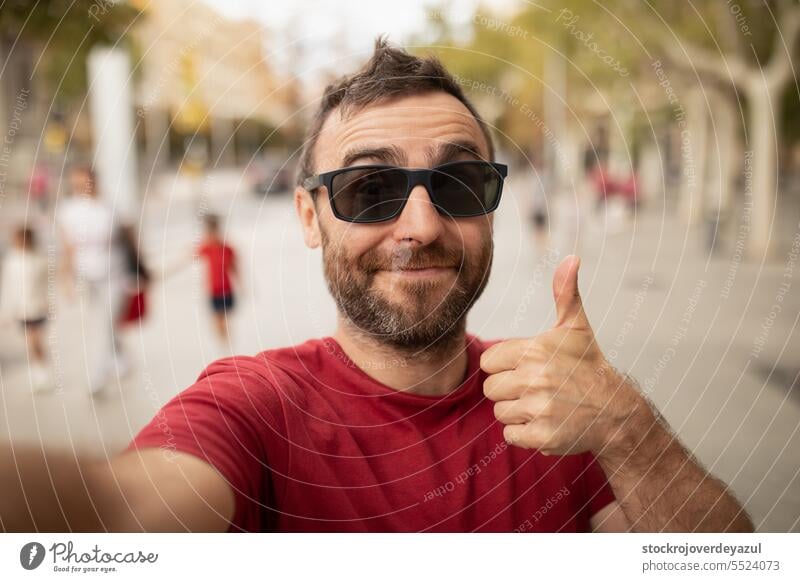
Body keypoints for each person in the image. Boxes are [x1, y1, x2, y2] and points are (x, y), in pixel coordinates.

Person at [0, 39, 752, 533]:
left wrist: (631, 431)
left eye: (456, 182)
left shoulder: (560, 412)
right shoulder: (254, 409)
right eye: (369, 189)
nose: (420, 226)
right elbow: (115, 509)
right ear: (309, 215)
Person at [57, 164, 130, 395]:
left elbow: (129, 240)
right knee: (97, 325)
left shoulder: (111, 208)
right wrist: (65, 279)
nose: (80, 188)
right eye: (75, 183)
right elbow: (67, 247)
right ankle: (114, 360)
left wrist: (140, 271)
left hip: (114, 274)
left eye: (84, 182)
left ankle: (99, 374)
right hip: (85, 276)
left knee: (107, 322)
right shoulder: (67, 210)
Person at [0, 225, 52, 392]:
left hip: (38, 306)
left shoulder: (39, 259)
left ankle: (41, 371)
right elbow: (8, 287)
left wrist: (49, 301)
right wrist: (7, 311)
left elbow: (47, 283)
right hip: (22, 308)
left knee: (35, 340)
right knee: (31, 341)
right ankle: (38, 371)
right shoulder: (11, 261)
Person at [196, 214, 238, 343]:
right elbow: (191, 254)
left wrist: (241, 284)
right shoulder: (206, 247)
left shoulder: (227, 248)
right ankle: (223, 341)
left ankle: (225, 341)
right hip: (213, 290)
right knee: (218, 319)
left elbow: (234, 268)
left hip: (226, 289)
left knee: (223, 318)